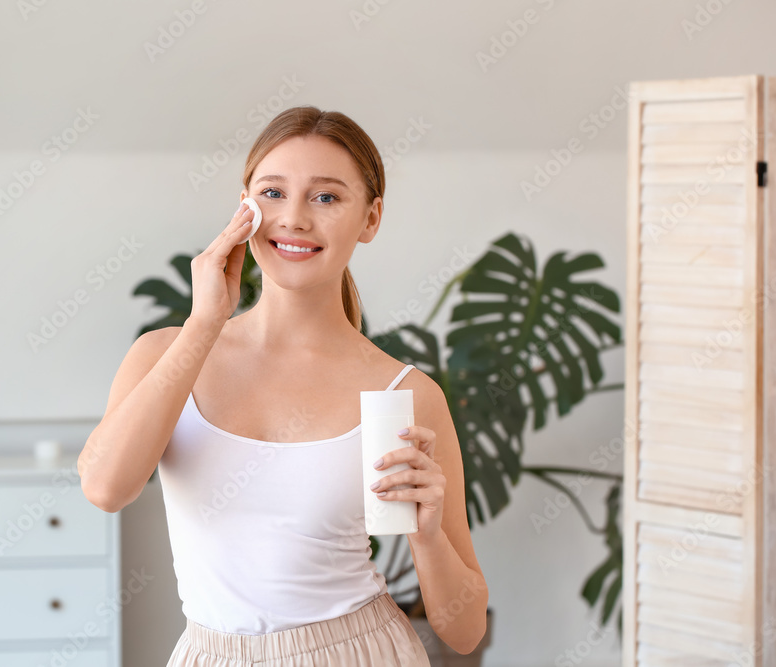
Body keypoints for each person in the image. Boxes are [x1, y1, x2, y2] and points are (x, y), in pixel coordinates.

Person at [77, 105, 488, 666]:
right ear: (244, 206)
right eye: (272, 193)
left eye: (326, 197)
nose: (293, 218)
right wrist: (203, 326)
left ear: (370, 219)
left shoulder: (406, 393)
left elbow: (463, 632)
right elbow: (105, 488)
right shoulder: (163, 353)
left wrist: (427, 534)